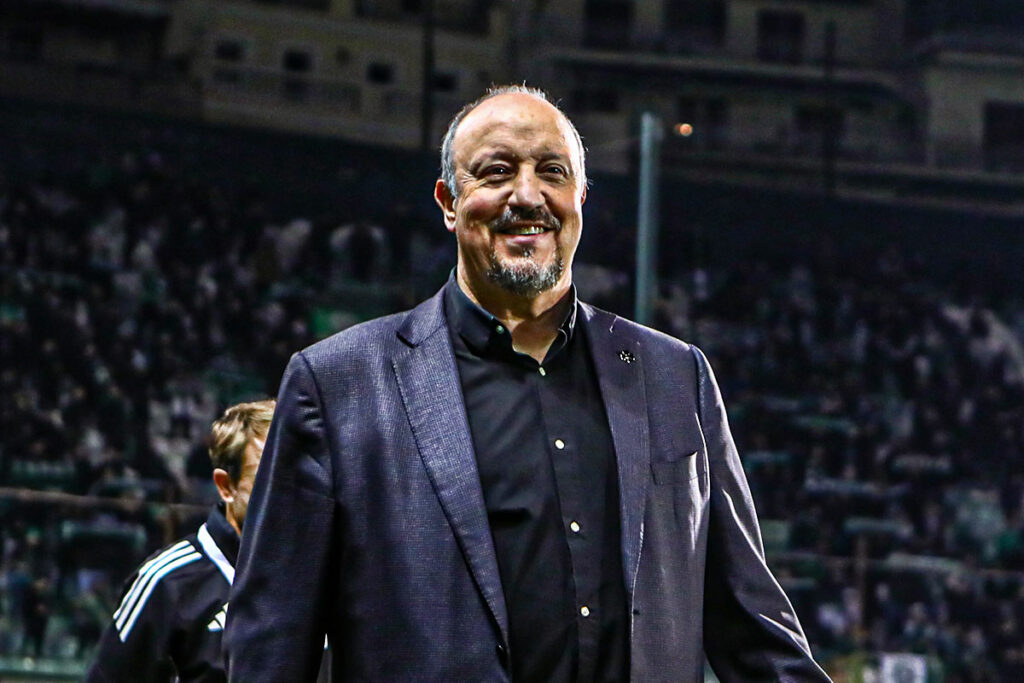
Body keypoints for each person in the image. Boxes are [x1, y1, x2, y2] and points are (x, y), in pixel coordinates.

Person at [225, 85, 830, 682]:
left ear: (580, 198)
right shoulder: (337, 385)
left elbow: (754, 633)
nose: (527, 195)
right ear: (449, 201)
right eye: (496, 172)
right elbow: (271, 646)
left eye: (552, 172)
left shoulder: (676, 376)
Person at [86, 399, 274, 682]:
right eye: (268, 478)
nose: (289, 493)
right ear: (226, 486)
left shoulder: (325, 578)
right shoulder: (165, 583)